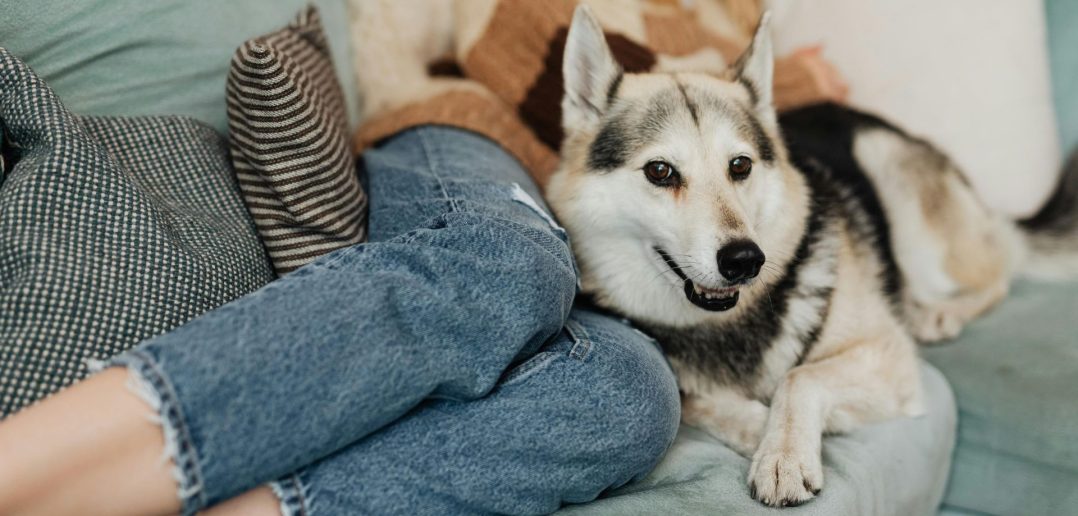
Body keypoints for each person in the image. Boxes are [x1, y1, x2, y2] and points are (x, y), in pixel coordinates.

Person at [0, 2, 849, 514]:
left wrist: (780, 91)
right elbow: (506, 43)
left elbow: (737, 109)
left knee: (632, 398)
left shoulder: (721, 28)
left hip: (604, 254)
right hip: (464, 131)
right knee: (509, 266)